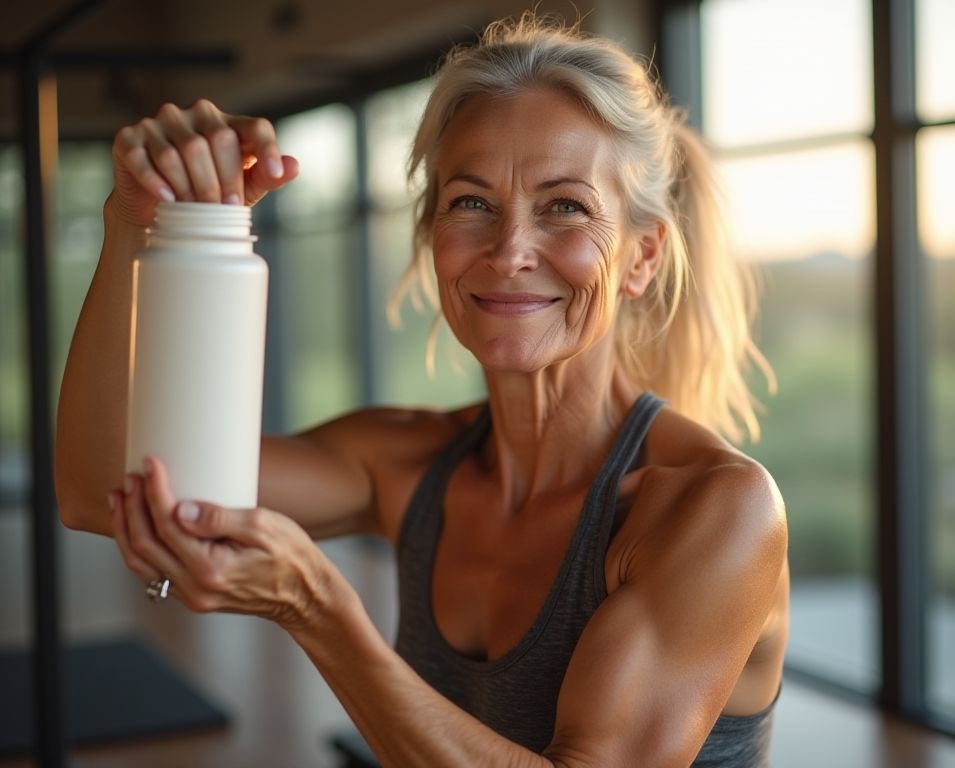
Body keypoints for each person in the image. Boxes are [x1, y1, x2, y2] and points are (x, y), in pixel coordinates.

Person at [55, 14, 788, 767]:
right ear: (432, 233)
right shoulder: (406, 463)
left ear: (642, 256)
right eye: (472, 203)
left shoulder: (715, 510)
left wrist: (316, 608)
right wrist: (132, 221)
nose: (508, 254)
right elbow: (98, 487)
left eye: (565, 206)